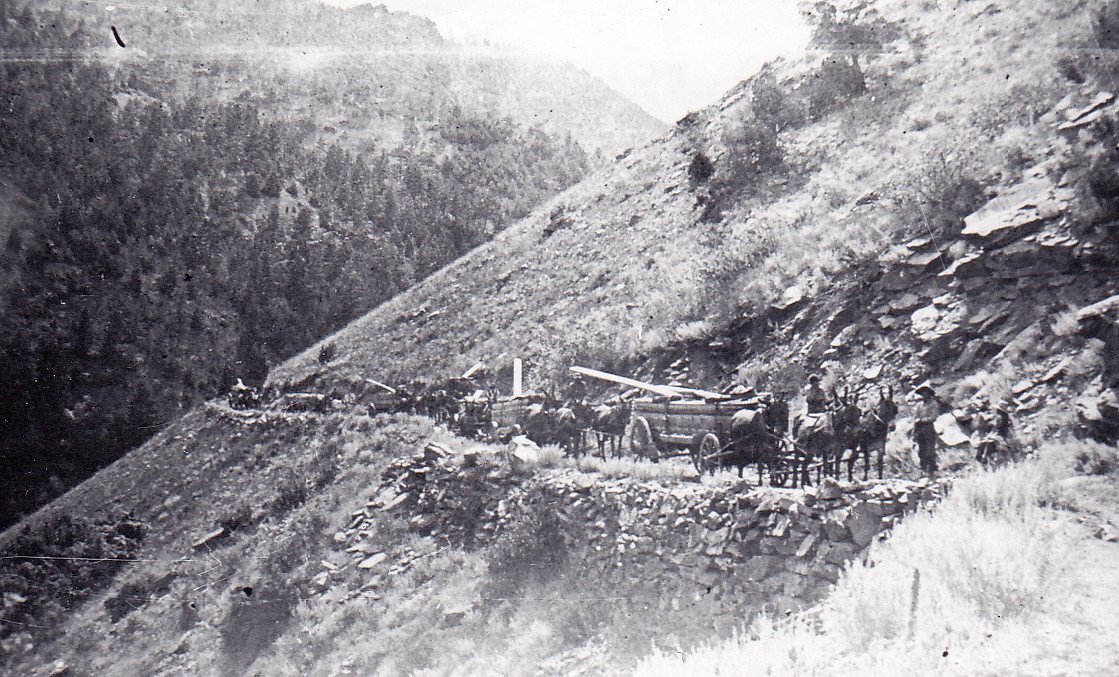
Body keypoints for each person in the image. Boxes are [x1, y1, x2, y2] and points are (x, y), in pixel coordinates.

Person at [913, 384, 939, 475]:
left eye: (925, 393)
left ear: (929, 393)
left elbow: (933, 416)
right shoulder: (919, 405)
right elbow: (916, 416)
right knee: (921, 449)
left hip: (928, 427)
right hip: (919, 428)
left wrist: (923, 420)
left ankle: (932, 469)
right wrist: (915, 429)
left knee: (930, 449)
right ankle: (923, 469)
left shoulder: (933, 403)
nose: (923, 395)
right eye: (922, 393)